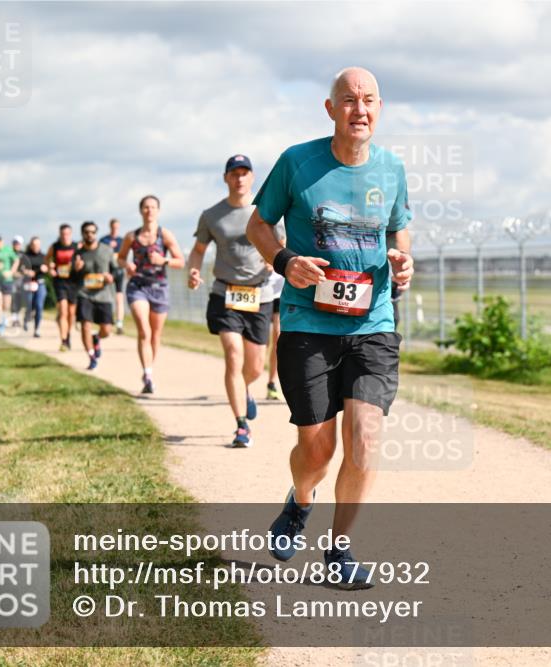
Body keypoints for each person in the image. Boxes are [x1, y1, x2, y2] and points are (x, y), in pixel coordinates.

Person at [247, 67, 414, 589]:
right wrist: (283, 260)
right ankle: (300, 502)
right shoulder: (298, 162)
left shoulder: (392, 168)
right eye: (348, 100)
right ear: (330, 108)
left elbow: (400, 233)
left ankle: (340, 548)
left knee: (364, 436)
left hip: (374, 322)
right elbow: (259, 223)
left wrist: (404, 263)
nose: (358, 110)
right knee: (316, 449)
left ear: (379, 109)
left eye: (368, 101)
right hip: (306, 323)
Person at [187, 155, 279, 447]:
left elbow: (282, 245)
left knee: (254, 367)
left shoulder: (267, 210)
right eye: (234, 174)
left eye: (244, 173)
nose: (239, 178)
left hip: (259, 295)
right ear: (226, 178)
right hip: (225, 293)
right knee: (233, 354)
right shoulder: (212, 215)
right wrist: (193, 269)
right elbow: (199, 249)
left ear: (252, 177)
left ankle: (246, 389)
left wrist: (273, 261)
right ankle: (241, 426)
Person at [118, 195, 185, 394]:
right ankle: (147, 374)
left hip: (159, 287)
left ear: (158, 210)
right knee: (144, 331)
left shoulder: (165, 235)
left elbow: (180, 261)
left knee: (155, 335)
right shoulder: (131, 236)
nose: (149, 211)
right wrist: (126, 264)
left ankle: (149, 369)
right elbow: (120, 258)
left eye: (153, 207)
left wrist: (163, 260)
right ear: (141, 211)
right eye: (146, 207)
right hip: (138, 286)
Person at [73, 221, 118, 370]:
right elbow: (71, 276)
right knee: (85, 325)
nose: (89, 234)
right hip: (84, 293)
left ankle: (96, 338)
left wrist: (110, 277)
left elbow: (116, 271)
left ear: (96, 233)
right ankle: (91, 357)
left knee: (107, 330)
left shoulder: (107, 250)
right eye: (86, 232)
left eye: (92, 232)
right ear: (82, 234)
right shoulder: (78, 253)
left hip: (103, 294)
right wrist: (76, 269)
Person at [47, 224, 79, 351]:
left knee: (71, 313)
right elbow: (47, 259)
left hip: (73, 282)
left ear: (71, 234)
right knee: (63, 311)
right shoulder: (55, 247)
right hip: (60, 282)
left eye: (67, 234)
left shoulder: (77, 246)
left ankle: (68, 333)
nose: (65, 236)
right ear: (60, 234)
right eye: (63, 234)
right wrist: (50, 268)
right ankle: (64, 340)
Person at [99, 218, 127, 335]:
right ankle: (107, 320)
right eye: (113, 227)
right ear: (110, 227)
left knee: (119, 297)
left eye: (117, 227)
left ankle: (119, 323)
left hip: (119, 271)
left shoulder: (122, 240)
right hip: (107, 272)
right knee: (107, 297)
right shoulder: (104, 240)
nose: (115, 229)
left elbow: (124, 256)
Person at [265, 260, 285, 401]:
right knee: (263, 343)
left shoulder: (289, 240)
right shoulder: (257, 238)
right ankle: (244, 383)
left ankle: (272, 383)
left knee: (278, 339)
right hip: (260, 294)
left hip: (279, 294)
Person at [22, 237, 48, 336]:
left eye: (38, 245)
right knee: (29, 304)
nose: (36, 247)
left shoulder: (43, 257)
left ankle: (37, 329)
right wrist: (27, 272)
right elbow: (21, 268)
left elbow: (48, 267)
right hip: (29, 283)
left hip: (40, 283)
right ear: (31, 245)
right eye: (34, 245)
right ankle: (26, 318)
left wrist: (46, 268)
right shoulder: (26, 256)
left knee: (39, 305)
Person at [9, 236, 29, 327]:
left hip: (21, 280)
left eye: (18, 243)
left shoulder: (24, 255)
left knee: (20, 299)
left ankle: (17, 317)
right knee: (13, 298)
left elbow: (26, 267)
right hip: (11, 279)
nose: (16, 245)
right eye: (15, 243)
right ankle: (14, 318)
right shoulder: (8, 253)